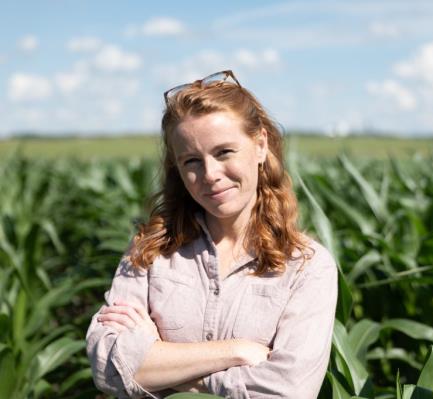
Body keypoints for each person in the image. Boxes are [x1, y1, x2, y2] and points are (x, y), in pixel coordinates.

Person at [86, 70, 338, 399]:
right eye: (192, 160)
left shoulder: (306, 266)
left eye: (224, 153)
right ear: (177, 167)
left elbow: (288, 392)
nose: (210, 175)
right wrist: (235, 352)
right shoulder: (150, 250)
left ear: (260, 145)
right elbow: (108, 368)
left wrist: (162, 365)